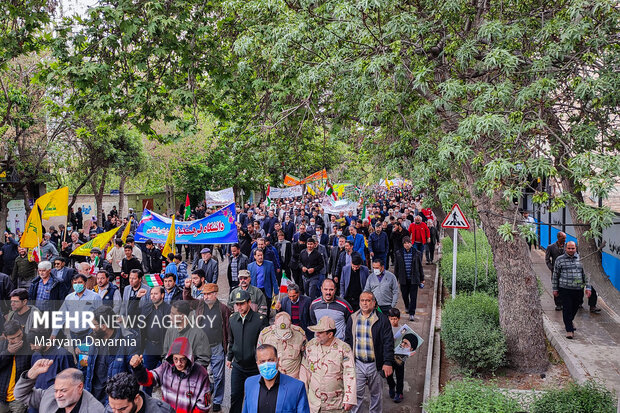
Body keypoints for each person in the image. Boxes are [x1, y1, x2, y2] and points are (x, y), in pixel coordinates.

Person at [130, 337, 211, 412]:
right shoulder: (165, 367)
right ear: (171, 357)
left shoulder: (201, 374)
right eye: (175, 359)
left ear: (189, 358)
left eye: (182, 359)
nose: (179, 363)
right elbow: (148, 380)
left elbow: (203, 407)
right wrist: (138, 368)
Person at [184, 283, 231, 412]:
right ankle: (203, 396)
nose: (206, 296)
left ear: (215, 294)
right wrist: (187, 288)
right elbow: (187, 300)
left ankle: (217, 401)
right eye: (204, 294)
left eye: (209, 294)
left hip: (217, 347)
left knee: (219, 376)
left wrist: (229, 347)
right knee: (199, 374)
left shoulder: (223, 308)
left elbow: (227, 328)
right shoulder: (199, 304)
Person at [345, 291, 394, 413]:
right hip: (358, 364)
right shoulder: (353, 318)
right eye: (362, 300)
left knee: (376, 395)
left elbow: (388, 342)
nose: (365, 303)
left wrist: (387, 362)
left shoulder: (382, 320)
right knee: (356, 395)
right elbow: (347, 340)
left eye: (368, 300)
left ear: (374, 303)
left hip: (375, 364)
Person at [300, 316, 356, 413]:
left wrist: (349, 398)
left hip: (335, 405)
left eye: (320, 332)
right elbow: (305, 371)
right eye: (316, 331)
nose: (316, 334)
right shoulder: (311, 345)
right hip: (314, 403)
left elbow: (350, 374)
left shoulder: (343, 348)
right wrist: (302, 395)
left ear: (330, 334)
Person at [84, 306, 138, 403]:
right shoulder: (93, 337)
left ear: (103, 326)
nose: (91, 327)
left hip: (113, 400)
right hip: (92, 396)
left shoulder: (127, 341)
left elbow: (133, 376)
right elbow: (85, 366)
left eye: (94, 325)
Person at [226, 290, 269, 413]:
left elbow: (264, 345)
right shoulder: (233, 319)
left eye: (242, 304)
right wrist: (229, 358)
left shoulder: (260, 320)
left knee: (254, 398)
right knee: (235, 396)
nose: (239, 307)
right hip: (238, 366)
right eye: (237, 304)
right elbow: (231, 340)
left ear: (249, 302)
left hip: (254, 367)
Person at [242, 344, 310, 413]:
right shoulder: (250, 383)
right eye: (262, 361)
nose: (267, 365)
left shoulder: (297, 387)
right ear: (257, 363)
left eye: (271, 360)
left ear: (278, 360)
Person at [13, 363, 104, 413]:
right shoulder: (49, 395)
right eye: (56, 390)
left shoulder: (95, 409)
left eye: (63, 390)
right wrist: (30, 376)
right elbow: (20, 394)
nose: (57, 395)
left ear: (80, 387)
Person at [552, 241, 593, 339]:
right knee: (566, 308)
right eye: (569, 248)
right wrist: (555, 288)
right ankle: (569, 330)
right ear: (565, 248)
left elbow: (587, 274)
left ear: (576, 248)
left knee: (575, 307)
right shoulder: (559, 259)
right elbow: (555, 275)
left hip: (578, 289)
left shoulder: (582, 259)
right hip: (564, 289)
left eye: (573, 248)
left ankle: (569, 321)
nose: (571, 250)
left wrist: (588, 287)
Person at [50, 274, 102, 347]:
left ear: (85, 283)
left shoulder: (94, 297)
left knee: (86, 356)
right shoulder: (69, 298)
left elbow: (100, 315)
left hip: (88, 333)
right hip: (73, 334)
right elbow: (61, 316)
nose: (77, 285)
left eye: (80, 282)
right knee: (77, 356)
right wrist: (54, 333)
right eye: (75, 283)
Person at [139, 286, 171, 395]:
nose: (152, 296)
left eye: (155, 294)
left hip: (165, 347)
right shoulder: (146, 307)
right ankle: (146, 400)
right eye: (151, 294)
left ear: (162, 295)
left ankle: (167, 403)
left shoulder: (169, 309)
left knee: (168, 377)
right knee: (147, 377)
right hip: (149, 347)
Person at [162, 300, 211, 369]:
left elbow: (204, 359)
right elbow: (165, 355)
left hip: (191, 377)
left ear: (182, 316)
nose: (170, 316)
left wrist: (187, 370)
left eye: (173, 314)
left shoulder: (198, 334)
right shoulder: (170, 330)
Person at [257, 312, 307, 379]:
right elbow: (259, 357)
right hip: (272, 378)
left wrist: (303, 380)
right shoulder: (265, 334)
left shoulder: (299, 334)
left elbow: (306, 358)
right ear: (274, 324)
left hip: (292, 378)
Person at [0, 321, 31, 413]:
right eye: (12, 338)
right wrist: (8, 353)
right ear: (5, 336)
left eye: (19, 335)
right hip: (2, 395)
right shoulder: (2, 346)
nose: (17, 340)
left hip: (20, 397)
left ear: (22, 329)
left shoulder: (29, 344)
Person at [105, 372, 174, 413]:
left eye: (122, 409)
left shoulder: (163, 411)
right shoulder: (110, 409)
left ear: (136, 398)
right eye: (113, 408)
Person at [386, 308, 414, 403]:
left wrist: (409, 351)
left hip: (400, 355)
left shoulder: (403, 329)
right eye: (392, 319)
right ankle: (391, 386)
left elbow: (407, 341)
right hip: (389, 355)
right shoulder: (386, 328)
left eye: (396, 319)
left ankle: (399, 393)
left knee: (399, 375)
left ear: (399, 318)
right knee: (388, 374)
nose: (394, 321)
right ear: (388, 318)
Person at [393, 237, 425, 320]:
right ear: (403, 244)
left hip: (414, 279)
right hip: (403, 278)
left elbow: (420, 267)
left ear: (411, 243)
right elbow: (396, 267)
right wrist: (395, 279)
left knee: (413, 297)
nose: (407, 245)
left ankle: (412, 313)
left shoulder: (417, 253)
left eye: (408, 243)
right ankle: (407, 306)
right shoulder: (398, 253)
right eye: (405, 243)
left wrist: (422, 278)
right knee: (404, 295)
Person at [248, 249, 278, 314]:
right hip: (255, 289)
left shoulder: (269, 264)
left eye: (261, 255)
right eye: (258, 255)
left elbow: (273, 278)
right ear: (255, 256)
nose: (260, 257)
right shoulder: (250, 266)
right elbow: (249, 279)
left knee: (267, 306)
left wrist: (276, 290)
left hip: (266, 289)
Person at [545, 232, 567, 311]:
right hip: (555, 271)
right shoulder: (551, 247)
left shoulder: (567, 246)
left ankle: (564, 303)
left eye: (565, 238)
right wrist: (552, 268)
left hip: (565, 271)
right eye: (563, 238)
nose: (565, 240)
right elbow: (547, 260)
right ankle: (558, 304)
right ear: (558, 238)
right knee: (556, 287)